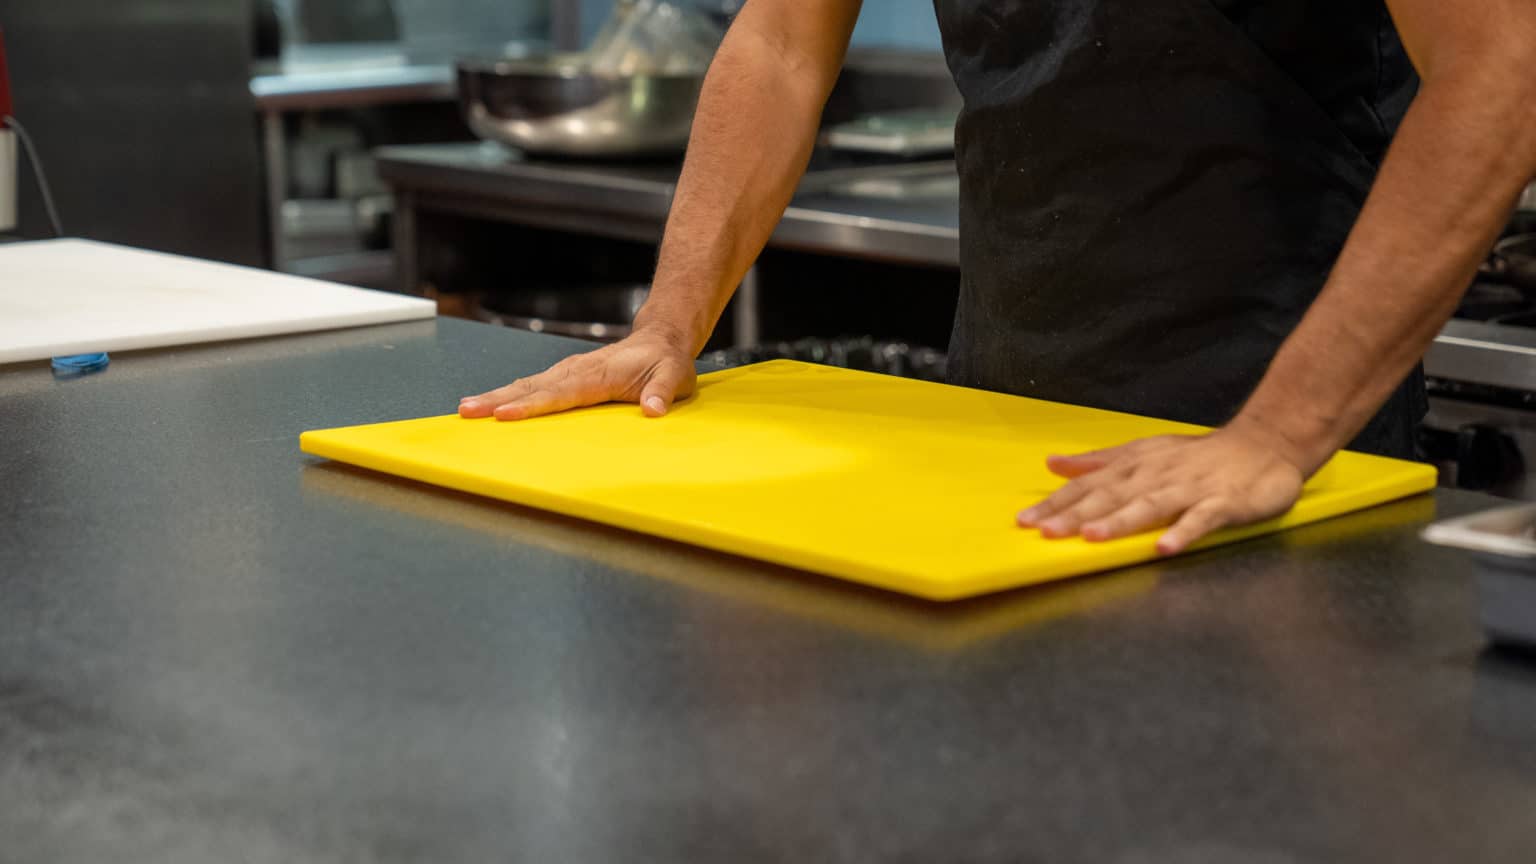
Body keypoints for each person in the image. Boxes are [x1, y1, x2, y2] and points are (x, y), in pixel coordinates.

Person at [459, 1, 1536, 554]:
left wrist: (1279, 438)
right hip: (998, 447)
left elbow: (1504, 68)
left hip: (1279, 459)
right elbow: (785, 40)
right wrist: (667, 323)